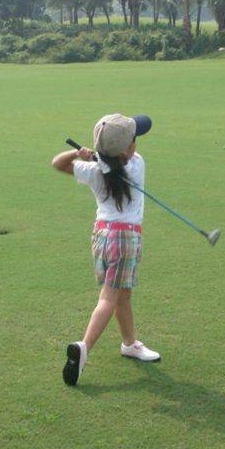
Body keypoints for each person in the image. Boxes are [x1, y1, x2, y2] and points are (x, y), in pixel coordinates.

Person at [51, 113, 161, 386]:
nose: (136, 142)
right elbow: (117, 165)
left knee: (123, 294)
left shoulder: (93, 171)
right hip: (125, 240)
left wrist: (80, 154)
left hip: (102, 236)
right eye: (134, 138)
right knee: (109, 298)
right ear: (127, 148)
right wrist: (97, 158)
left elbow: (58, 163)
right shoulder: (137, 163)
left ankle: (129, 343)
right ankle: (84, 347)